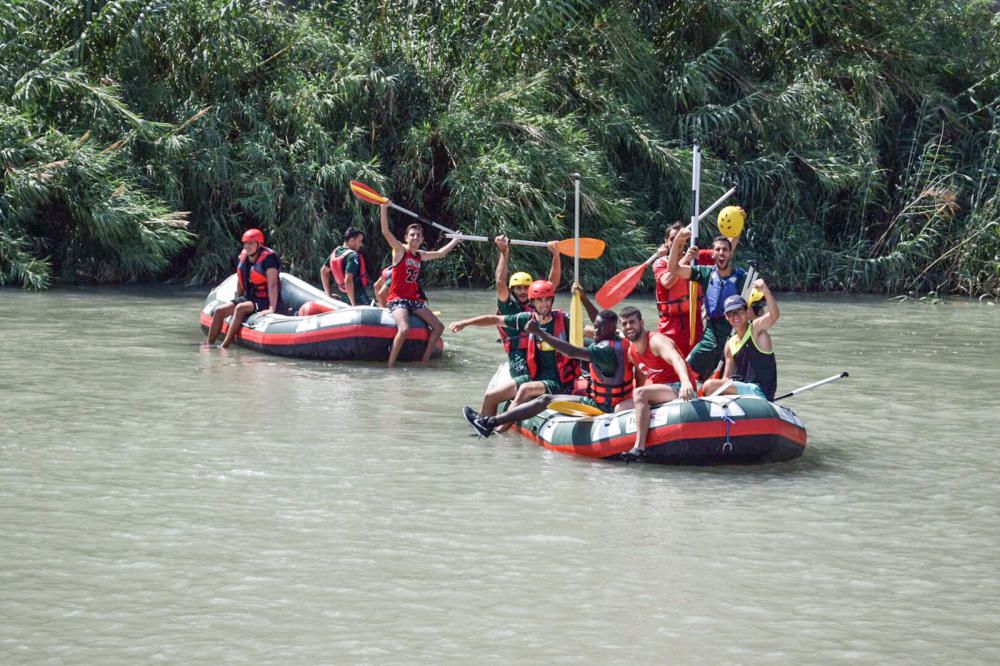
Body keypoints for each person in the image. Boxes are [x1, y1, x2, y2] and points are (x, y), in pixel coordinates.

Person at [461, 302, 633, 438]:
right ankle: (489, 422)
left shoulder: (603, 350)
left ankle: (489, 422)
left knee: (545, 400)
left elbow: (571, 352)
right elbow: (600, 318)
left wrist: (540, 334)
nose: (595, 331)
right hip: (613, 400)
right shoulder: (620, 341)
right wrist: (583, 298)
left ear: (610, 329)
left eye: (599, 329)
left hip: (602, 406)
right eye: (595, 327)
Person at [450, 280, 581, 426]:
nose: (544, 304)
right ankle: (485, 430)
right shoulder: (527, 319)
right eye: (539, 300)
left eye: (548, 299)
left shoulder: (564, 320)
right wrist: (464, 323)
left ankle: (494, 426)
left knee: (525, 389)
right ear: (532, 302)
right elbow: (494, 319)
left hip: (558, 382)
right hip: (534, 377)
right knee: (490, 396)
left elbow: (585, 331)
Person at [380, 202, 460, 367]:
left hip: (414, 300)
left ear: (422, 239)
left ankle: (423, 362)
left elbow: (440, 253)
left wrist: (455, 240)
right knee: (404, 329)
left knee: (439, 327)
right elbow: (386, 232)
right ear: (406, 238)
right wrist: (383, 208)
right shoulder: (401, 250)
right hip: (398, 299)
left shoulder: (420, 255)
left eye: (418, 235)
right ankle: (390, 365)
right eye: (412, 235)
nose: (415, 237)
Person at [667, 226, 748, 381]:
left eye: (725, 249)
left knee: (726, 380)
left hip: (733, 335)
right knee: (687, 371)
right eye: (717, 250)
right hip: (710, 335)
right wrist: (677, 241)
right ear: (713, 254)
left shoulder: (743, 278)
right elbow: (673, 268)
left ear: (730, 253)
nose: (721, 253)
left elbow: (757, 312)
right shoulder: (705, 273)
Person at [618, 306, 697, 456]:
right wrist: (638, 398)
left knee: (640, 393)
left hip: (679, 387)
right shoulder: (632, 352)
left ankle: (639, 448)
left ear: (641, 323)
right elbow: (640, 378)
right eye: (624, 324)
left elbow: (676, 359)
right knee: (620, 408)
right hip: (660, 391)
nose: (628, 327)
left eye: (632, 322)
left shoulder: (656, 341)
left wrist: (686, 382)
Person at [653, 221, 739, 357]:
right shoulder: (660, 262)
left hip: (694, 319)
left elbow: (728, 247)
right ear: (666, 241)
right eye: (673, 239)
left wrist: (737, 221)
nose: (677, 242)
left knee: (694, 361)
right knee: (672, 361)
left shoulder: (696, 257)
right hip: (670, 323)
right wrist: (686, 259)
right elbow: (667, 282)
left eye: (680, 239)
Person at [494, 235, 562, 379]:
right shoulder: (509, 307)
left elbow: (552, 284)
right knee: (525, 380)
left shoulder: (537, 304)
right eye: (518, 288)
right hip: (519, 354)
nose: (523, 292)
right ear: (512, 290)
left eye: (526, 288)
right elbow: (500, 282)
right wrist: (504, 252)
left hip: (540, 350)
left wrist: (556, 255)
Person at [701, 280, 779, 401]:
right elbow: (726, 378)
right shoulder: (730, 344)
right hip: (743, 392)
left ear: (747, 313)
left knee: (709, 386)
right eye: (730, 314)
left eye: (739, 312)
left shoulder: (755, 330)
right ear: (726, 317)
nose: (735, 317)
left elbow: (774, 316)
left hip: (759, 391)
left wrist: (766, 291)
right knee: (709, 386)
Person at [207, 228, 282, 349]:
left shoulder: (269, 259)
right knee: (219, 311)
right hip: (249, 297)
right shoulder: (244, 256)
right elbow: (240, 280)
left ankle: (224, 347)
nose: (247, 246)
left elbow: (273, 285)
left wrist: (272, 308)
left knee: (240, 308)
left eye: (251, 243)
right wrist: (236, 299)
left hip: (265, 299)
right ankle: (209, 345)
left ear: (259, 244)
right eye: (245, 243)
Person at [320, 226, 372, 306]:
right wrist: (353, 304)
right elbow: (348, 280)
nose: (361, 244)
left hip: (343, 295)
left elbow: (323, 271)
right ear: (351, 241)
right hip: (357, 296)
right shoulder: (353, 256)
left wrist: (329, 294)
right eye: (359, 241)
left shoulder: (336, 252)